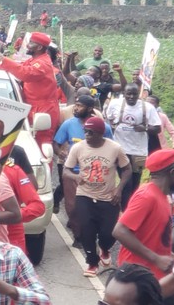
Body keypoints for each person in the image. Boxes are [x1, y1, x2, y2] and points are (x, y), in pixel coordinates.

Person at [63, 116, 131, 277]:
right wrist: (75, 177)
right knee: (86, 230)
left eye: (91, 132)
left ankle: (105, 249)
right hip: (84, 195)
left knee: (109, 233)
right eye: (85, 131)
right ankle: (92, 263)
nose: (87, 134)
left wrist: (119, 189)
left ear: (101, 134)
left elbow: (127, 169)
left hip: (108, 197)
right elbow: (66, 170)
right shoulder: (78, 148)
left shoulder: (115, 148)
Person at [113, 149, 174, 281]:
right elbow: (119, 231)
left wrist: (168, 254)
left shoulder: (163, 197)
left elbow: (154, 235)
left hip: (154, 275)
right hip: (136, 277)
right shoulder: (146, 196)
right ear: (172, 172)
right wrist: (156, 258)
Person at [0, 32, 60, 147]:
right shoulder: (36, 59)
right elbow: (21, 66)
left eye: (31, 43)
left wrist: (4, 60)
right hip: (33, 108)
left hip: (43, 111)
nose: (27, 45)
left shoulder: (42, 64)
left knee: (40, 146)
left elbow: (25, 73)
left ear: (39, 47)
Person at [52, 94, 113, 221]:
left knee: (90, 207)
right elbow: (56, 144)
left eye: (80, 106)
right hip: (73, 172)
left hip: (95, 174)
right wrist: (60, 153)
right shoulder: (68, 124)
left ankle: (84, 231)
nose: (75, 108)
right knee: (72, 205)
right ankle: (78, 235)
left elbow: (111, 148)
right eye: (76, 105)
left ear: (90, 109)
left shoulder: (103, 127)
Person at [105, 83, 162, 209]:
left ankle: (131, 207)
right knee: (126, 181)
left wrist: (145, 128)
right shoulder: (115, 104)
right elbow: (108, 120)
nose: (131, 97)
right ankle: (124, 209)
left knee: (135, 182)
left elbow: (157, 128)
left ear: (139, 95)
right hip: (120, 149)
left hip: (139, 151)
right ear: (124, 94)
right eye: (128, 94)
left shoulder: (148, 108)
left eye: (134, 94)